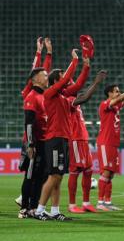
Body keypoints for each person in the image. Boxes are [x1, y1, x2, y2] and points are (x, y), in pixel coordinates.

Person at [33, 49, 80, 221]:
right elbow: (68, 80)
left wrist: (86, 66)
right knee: (53, 176)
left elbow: (77, 86)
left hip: (63, 138)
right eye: (61, 75)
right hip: (54, 138)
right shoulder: (50, 93)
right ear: (55, 80)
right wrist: (74, 61)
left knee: (59, 177)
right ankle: (39, 210)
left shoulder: (63, 96)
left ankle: (54, 211)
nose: (65, 77)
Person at [18, 37, 52, 218]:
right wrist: (40, 52)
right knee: (30, 176)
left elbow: (40, 72)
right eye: (44, 76)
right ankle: (25, 208)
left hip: (44, 140)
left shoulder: (43, 95)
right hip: (33, 142)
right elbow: (29, 121)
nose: (47, 77)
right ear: (35, 80)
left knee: (40, 176)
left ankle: (33, 207)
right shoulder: (30, 94)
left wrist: (49, 52)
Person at [67, 66, 107, 214]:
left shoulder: (74, 98)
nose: (74, 86)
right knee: (75, 170)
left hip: (83, 138)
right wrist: (96, 83)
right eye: (71, 84)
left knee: (88, 170)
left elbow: (83, 94)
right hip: (75, 139)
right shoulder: (68, 99)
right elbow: (84, 97)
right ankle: (72, 205)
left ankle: (86, 202)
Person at [96, 81, 124, 211]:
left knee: (111, 174)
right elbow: (122, 98)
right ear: (109, 93)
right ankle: (100, 202)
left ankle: (108, 202)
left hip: (113, 144)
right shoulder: (105, 104)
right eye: (116, 91)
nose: (119, 93)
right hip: (105, 142)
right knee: (105, 172)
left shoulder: (115, 107)